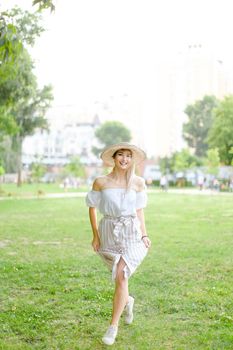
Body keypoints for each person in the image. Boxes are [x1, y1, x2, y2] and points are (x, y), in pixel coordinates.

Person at [86, 142, 151, 346]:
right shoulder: (101, 182)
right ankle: (127, 301)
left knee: (122, 273)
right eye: (120, 155)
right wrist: (95, 235)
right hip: (109, 233)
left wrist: (144, 234)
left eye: (128, 156)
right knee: (120, 279)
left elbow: (139, 210)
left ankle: (113, 326)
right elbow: (92, 208)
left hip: (132, 232)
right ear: (113, 158)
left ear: (132, 160)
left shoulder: (138, 183)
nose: (124, 159)